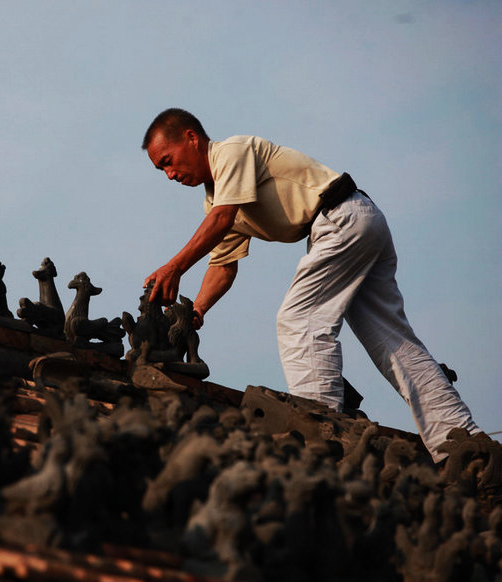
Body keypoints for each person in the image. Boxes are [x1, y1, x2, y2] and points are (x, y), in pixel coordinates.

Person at [142, 108, 481, 462]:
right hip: (355, 221)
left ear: (191, 138)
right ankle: (461, 441)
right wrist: (195, 311)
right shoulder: (216, 199)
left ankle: (323, 438)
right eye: (161, 169)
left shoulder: (230, 153)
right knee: (392, 342)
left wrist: (174, 267)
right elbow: (223, 265)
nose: (169, 175)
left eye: (168, 161)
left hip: (339, 219)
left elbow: (221, 219)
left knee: (299, 321)